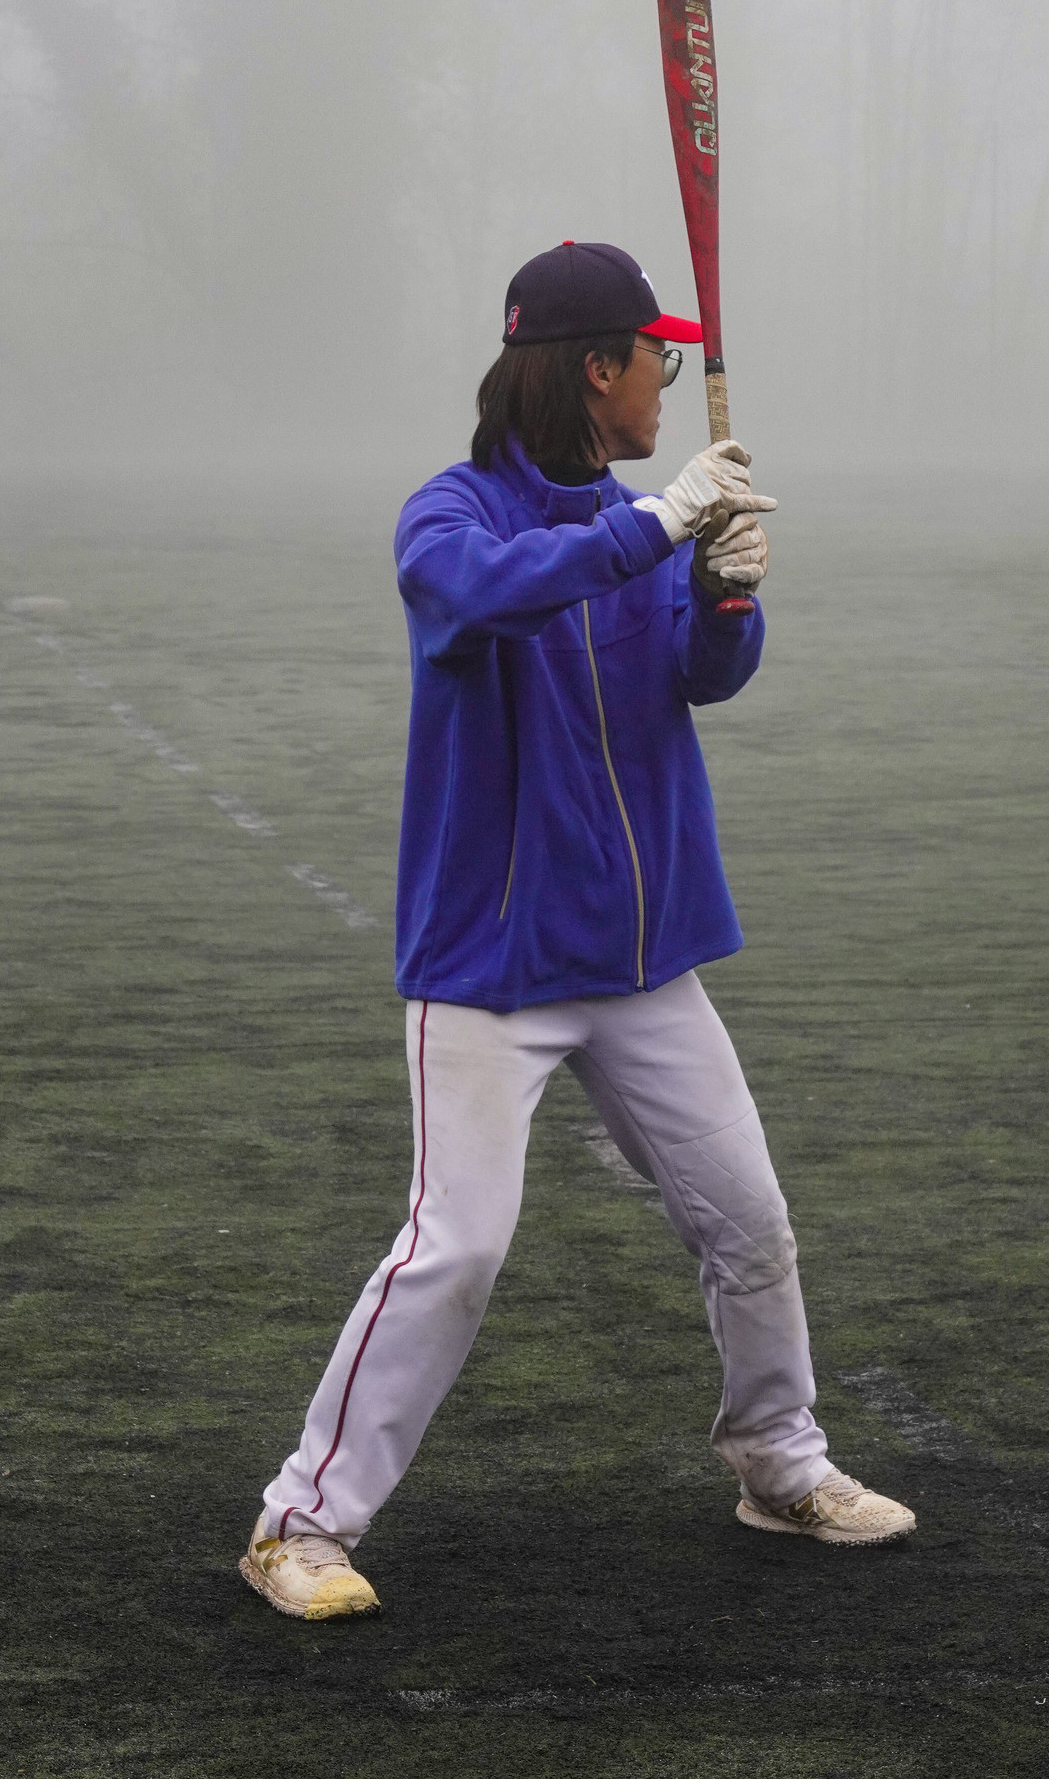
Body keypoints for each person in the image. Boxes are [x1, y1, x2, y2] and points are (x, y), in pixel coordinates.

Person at [240, 240, 915, 1620]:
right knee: (459, 1244)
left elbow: (695, 678)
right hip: (490, 971)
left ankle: (779, 1466)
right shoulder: (449, 516)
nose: (669, 373)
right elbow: (489, 595)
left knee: (751, 1223)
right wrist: (660, 526)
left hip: (641, 961)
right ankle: (297, 1526)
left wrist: (728, 592)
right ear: (594, 368)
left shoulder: (645, 518)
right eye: (650, 354)